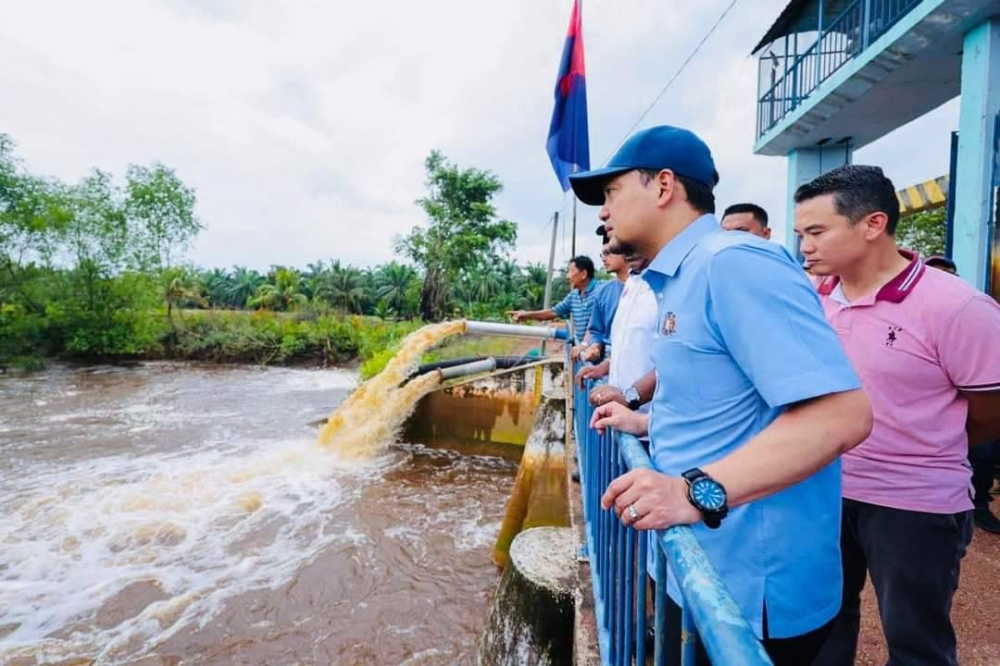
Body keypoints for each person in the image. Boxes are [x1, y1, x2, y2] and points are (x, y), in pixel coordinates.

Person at [570, 125, 872, 665]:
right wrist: (647, 424)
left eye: (611, 193)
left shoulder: (733, 263)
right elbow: (716, 398)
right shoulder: (679, 278)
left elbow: (841, 416)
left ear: (663, 187)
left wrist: (691, 493)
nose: (602, 213)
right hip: (699, 569)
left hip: (749, 590)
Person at [794, 165, 1000, 665]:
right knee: (823, 629)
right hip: (826, 490)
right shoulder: (811, 300)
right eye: (801, 234)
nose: (804, 247)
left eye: (817, 232)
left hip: (915, 506)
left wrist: (925, 441)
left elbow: (990, 412)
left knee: (916, 640)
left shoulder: (956, 307)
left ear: (872, 224)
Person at [925, 254, 1000, 533]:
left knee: (983, 454)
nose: (943, 277)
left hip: (969, 412)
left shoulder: (970, 308)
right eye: (936, 272)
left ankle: (979, 505)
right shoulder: (915, 312)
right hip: (933, 424)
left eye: (949, 272)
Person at [509, 255, 596, 346]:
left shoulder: (601, 291)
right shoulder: (573, 296)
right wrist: (526, 315)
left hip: (597, 350)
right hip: (580, 351)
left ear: (583, 274)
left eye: (570, 271)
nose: (567, 276)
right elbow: (552, 313)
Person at [578, 225, 629, 363]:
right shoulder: (603, 291)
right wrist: (595, 346)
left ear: (624, 252)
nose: (603, 258)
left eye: (608, 253)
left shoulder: (646, 288)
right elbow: (597, 331)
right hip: (607, 363)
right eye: (602, 254)